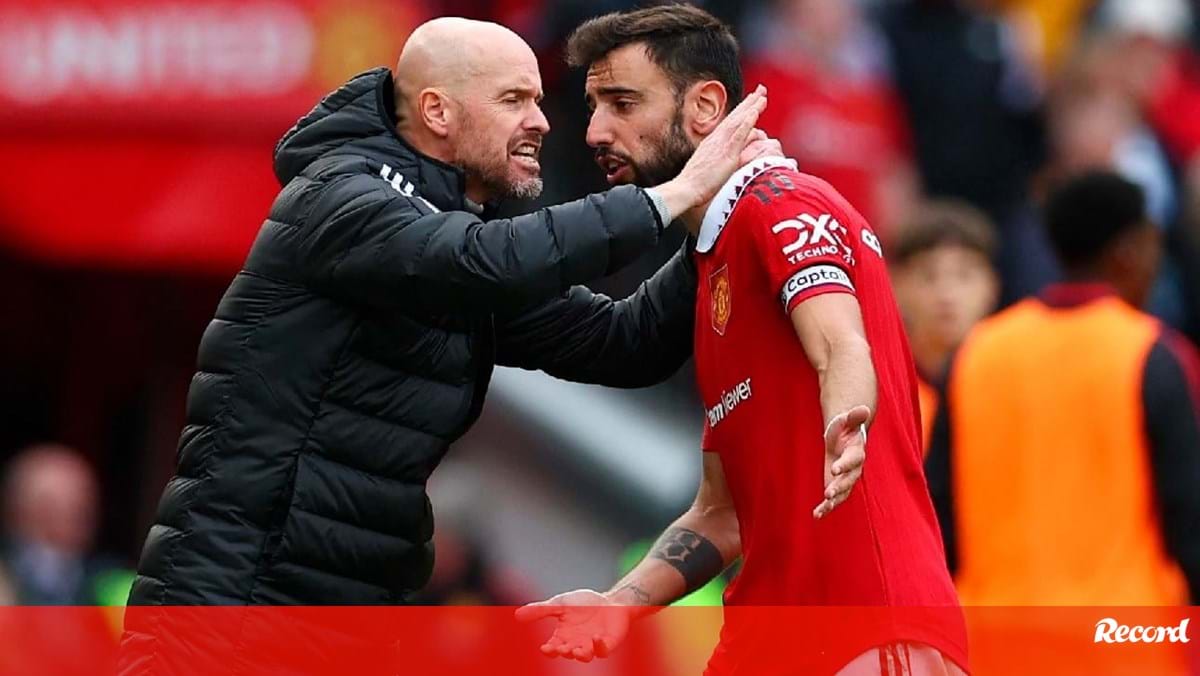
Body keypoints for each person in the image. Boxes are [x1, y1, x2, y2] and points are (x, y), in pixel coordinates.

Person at [119, 14, 776, 674]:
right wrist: (671, 195)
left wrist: (711, 221)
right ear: (437, 110)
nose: (542, 123)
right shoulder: (340, 196)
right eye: (514, 100)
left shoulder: (460, 245)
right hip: (228, 616)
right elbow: (477, 261)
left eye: (539, 102)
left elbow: (625, 342)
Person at [517, 7, 966, 675]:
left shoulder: (780, 203)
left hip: (863, 630)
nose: (596, 131)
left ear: (704, 107)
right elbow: (722, 513)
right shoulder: (712, 267)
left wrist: (847, 423)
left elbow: (840, 344)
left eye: (622, 102)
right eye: (591, 106)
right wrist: (620, 603)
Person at [925, 171, 1200, 672]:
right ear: (1129, 251)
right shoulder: (1155, 354)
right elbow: (1190, 521)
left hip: (995, 648)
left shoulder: (977, 352)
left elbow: (937, 520)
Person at [889, 201, 999, 450]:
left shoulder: (1009, 384)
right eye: (928, 276)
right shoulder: (883, 391)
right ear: (896, 285)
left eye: (964, 275)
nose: (947, 294)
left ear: (992, 285)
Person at [2, 444, 129, 606]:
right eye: (51, 502)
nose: (74, 511)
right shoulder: (6, 575)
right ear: (18, 509)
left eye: (82, 500)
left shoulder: (114, 581)